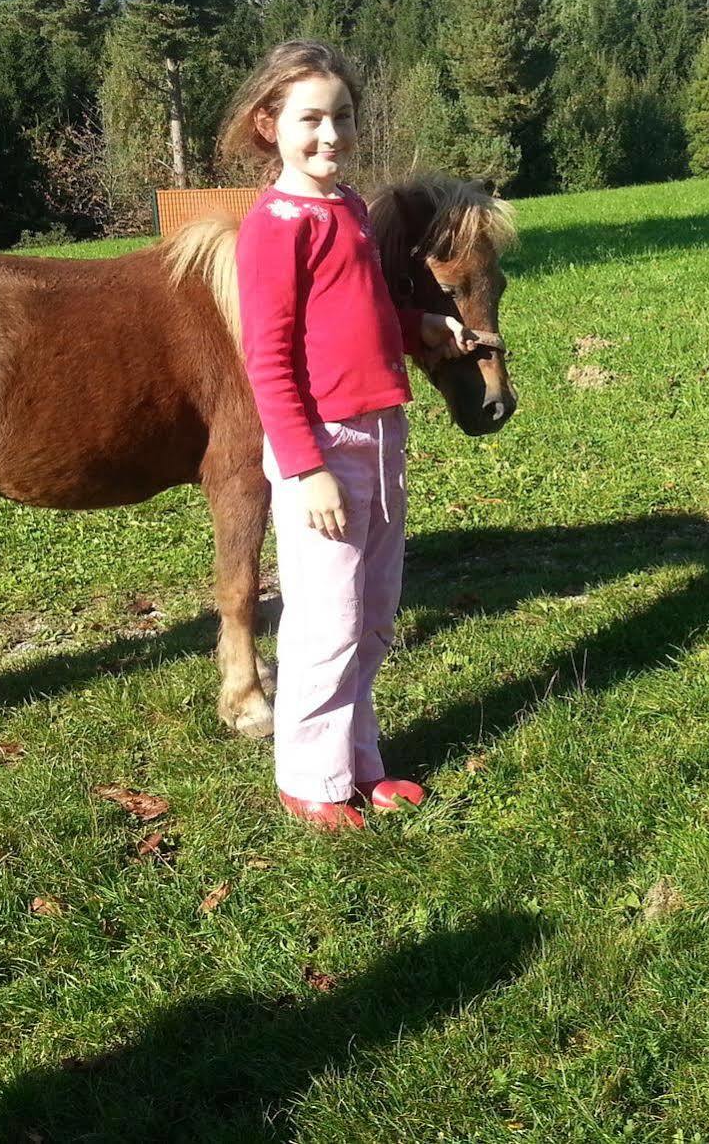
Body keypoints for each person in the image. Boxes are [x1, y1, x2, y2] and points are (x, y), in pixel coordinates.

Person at [223, 41, 477, 831]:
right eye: (309, 120)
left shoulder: (349, 209)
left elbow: (361, 314)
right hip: (321, 450)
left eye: (340, 117)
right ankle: (308, 778)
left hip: (380, 430)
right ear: (268, 125)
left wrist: (423, 324)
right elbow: (267, 359)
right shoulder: (275, 227)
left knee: (371, 611)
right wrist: (306, 469)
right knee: (324, 618)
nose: (328, 136)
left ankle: (359, 760)